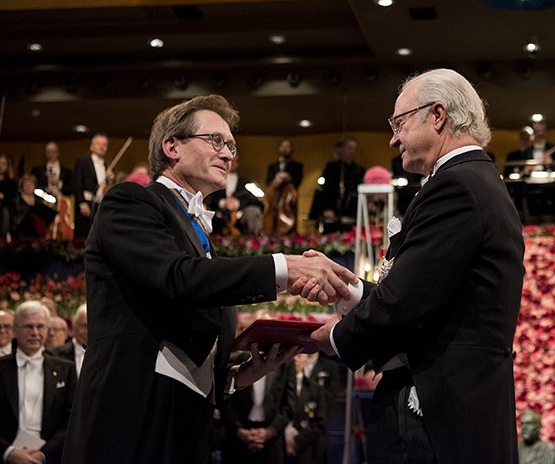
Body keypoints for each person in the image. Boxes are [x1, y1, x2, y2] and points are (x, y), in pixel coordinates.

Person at [61, 94, 356, 464]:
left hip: (186, 420)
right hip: (132, 415)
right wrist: (285, 267)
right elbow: (177, 279)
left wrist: (236, 375)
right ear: (172, 146)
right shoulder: (130, 201)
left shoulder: (198, 231)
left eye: (232, 145)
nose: (229, 153)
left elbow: (189, 321)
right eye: (216, 140)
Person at [310, 68, 525, 463]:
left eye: (400, 122)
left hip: (438, 415)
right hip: (460, 411)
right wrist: (351, 288)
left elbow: (407, 300)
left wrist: (338, 339)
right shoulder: (477, 181)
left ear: (438, 115)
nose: (393, 138)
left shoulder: (456, 185)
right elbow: (428, 289)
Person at [0, 300, 76, 464]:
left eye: (40, 327)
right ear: (15, 330)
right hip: (1, 457)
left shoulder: (65, 370)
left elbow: (72, 420)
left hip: (48, 458)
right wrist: (9, 453)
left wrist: (44, 455)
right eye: (28, 326)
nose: (35, 332)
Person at [221, 360, 296, 464]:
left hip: (272, 438)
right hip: (237, 435)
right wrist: (239, 430)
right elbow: (224, 400)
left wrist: (270, 432)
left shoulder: (286, 363)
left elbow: (289, 404)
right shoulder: (237, 358)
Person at [284, 353, 328, 464]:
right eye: (292, 355)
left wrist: (296, 442)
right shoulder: (277, 386)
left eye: (299, 355)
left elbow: (319, 422)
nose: (294, 358)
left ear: (307, 360)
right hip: (278, 444)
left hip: (305, 448)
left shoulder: (316, 389)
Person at [204, 155, 264, 235]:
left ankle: (254, 242)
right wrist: (223, 202)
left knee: (253, 211)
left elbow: (255, 201)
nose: (232, 163)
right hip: (219, 214)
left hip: (241, 214)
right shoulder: (215, 180)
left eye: (234, 161)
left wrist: (237, 203)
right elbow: (208, 198)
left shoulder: (246, 182)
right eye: (229, 160)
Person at [319, 137, 366, 232]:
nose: (352, 152)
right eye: (349, 148)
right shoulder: (331, 167)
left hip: (352, 212)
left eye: (354, 149)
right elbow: (326, 189)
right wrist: (327, 208)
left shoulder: (360, 170)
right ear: (342, 149)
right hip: (333, 209)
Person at [72, 133, 114, 239]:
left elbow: (106, 188)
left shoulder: (106, 165)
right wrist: (82, 203)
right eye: (99, 144)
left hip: (99, 204)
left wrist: (110, 180)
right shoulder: (82, 162)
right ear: (92, 146)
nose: (102, 147)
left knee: (97, 233)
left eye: (105, 145)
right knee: (84, 234)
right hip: (86, 202)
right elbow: (77, 184)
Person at [263, 138, 303, 235]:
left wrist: (288, 178)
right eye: (283, 147)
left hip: (288, 202)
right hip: (274, 200)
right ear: (279, 148)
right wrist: (275, 181)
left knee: (291, 226)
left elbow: (297, 182)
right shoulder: (272, 166)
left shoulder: (297, 165)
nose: (285, 149)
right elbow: (268, 182)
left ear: (291, 149)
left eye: (287, 147)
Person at [12, 174, 58, 241]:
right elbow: (16, 218)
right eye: (26, 185)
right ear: (22, 186)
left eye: (30, 185)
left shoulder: (39, 200)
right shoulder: (17, 200)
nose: (28, 187)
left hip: (37, 235)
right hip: (22, 232)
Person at [48, 305, 86, 378]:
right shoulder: (56, 354)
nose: (87, 331)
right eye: (84, 326)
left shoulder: (103, 353)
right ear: (74, 325)